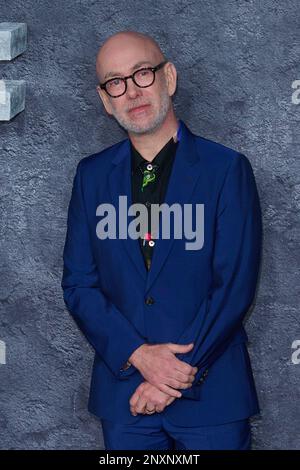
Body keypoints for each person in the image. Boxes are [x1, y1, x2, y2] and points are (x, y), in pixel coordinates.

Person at [61, 30, 262, 450]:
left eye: (142, 74)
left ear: (168, 77)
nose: (131, 91)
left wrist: (172, 376)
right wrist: (138, 354)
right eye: (116, 82)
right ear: (105, 100)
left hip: (212, 400)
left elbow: (234, 286)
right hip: (125, 400)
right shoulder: (91, 177)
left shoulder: (226, 170)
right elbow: (80, 285)